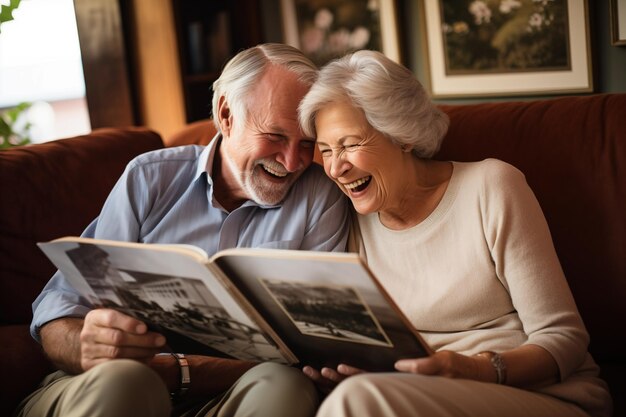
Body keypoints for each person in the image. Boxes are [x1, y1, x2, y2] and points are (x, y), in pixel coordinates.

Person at [17, 43, 350, 417]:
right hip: (111, 385)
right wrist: (86, 345)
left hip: (228, 392)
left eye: (306, 143)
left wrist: (180, 372)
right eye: (275, 136)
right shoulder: (149, 179)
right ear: (226, 115)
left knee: (285, 385)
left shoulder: (321, 196)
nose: (293, 162)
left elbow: (317, 346)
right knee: (128, 382)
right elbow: (58, 307)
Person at [297, 50, 612, 417]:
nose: (337, 167)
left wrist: (473, 368)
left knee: (356, 401)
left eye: (351, 144)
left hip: (542, 394)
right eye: (326, 150)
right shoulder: (348, 221)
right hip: (409, 396)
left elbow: (566, 339)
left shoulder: (491, 187)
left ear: (402, 135)